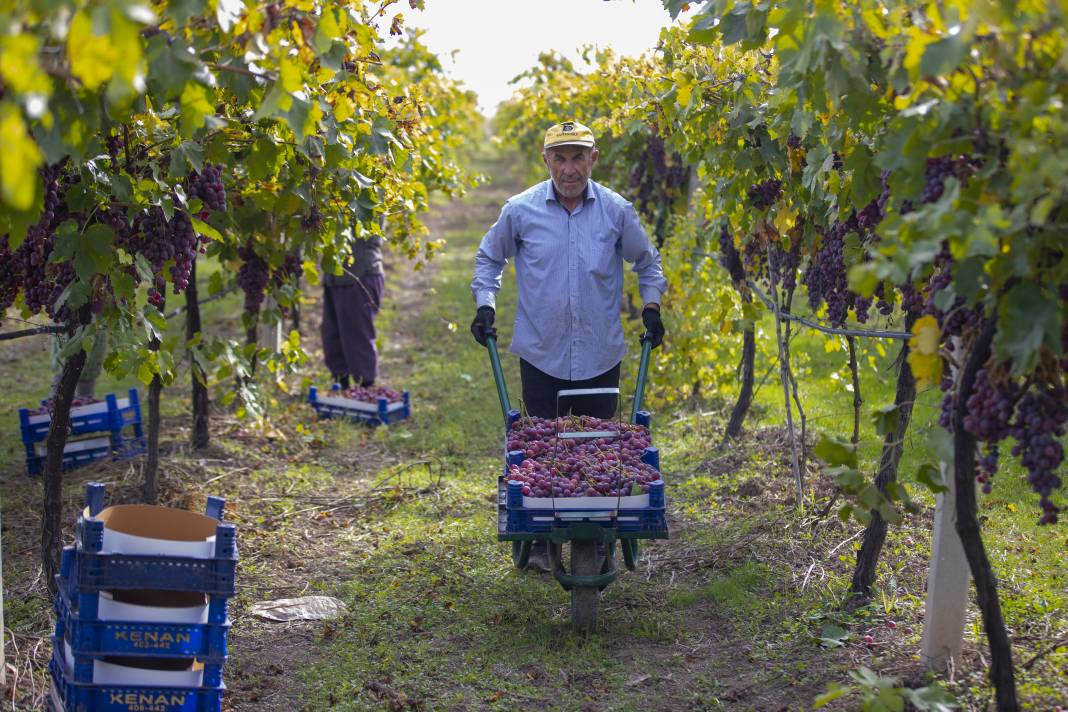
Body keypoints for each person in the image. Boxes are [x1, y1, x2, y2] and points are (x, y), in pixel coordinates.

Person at [470, 120, 667, 571]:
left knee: (598, 454)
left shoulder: (616, 211)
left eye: (578, 157)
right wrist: (485, 305)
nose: (569, 169)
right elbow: (489, 258)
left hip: (600, 355)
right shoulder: (520, 211)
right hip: (543, 354)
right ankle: (542, 543)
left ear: (593, 159)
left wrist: (651, 307)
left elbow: (647, 262)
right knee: (543, 453)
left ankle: (597, 539)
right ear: (546, 161)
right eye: (559, 158)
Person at [321, 233, 385, 390]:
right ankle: (341, 388)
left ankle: (366, 389)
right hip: (335, 276)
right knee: (331, 334)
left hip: (360, 274)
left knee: (357, 336)